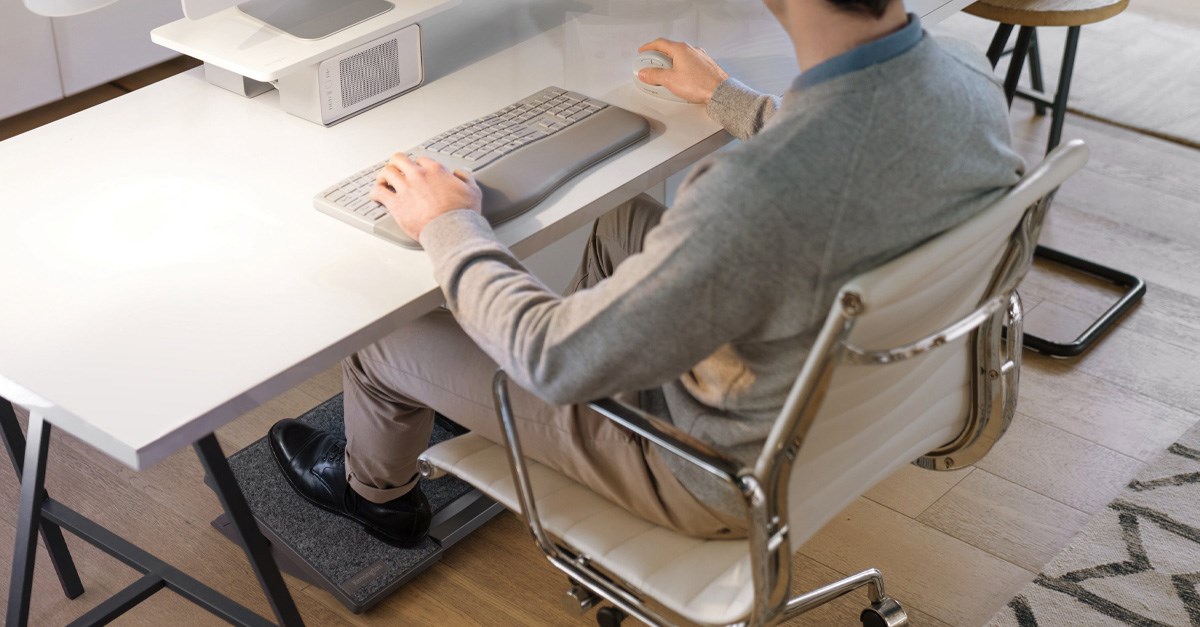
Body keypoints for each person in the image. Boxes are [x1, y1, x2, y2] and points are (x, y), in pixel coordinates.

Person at [269, 0, 1025, 545]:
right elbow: (853, 151)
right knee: (623, 219)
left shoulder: (752, 193)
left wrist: (446, 219)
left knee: (383, 331)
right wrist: (728, 99)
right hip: (829, 411)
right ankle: (486, 389)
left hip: (709, 468)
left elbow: (551, 357)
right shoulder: (963, 75)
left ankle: (378, 497)